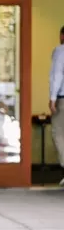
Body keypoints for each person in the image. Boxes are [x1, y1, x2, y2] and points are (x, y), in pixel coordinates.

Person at [49, 25, 64, 186]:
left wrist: (52, 98)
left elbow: (57, 74)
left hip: (63, 99)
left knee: (58, 133)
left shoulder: (60, 51)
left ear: (62, 36)